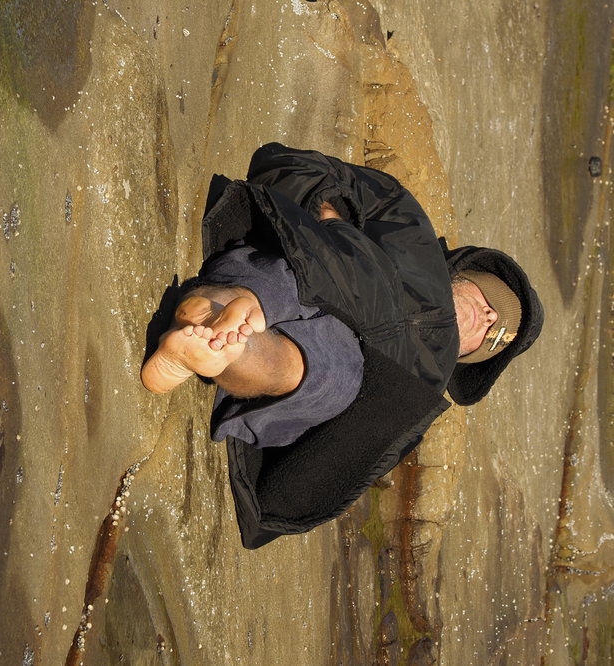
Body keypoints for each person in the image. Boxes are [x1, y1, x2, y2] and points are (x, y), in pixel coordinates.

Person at [141, 143, 544, 548]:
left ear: (465, 358)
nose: (490, 319)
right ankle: (217, 313)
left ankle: (221, 347)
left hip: (346, 355)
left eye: (492, 338)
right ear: (466, 273)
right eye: (492, 302)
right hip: (307, 271)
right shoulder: (410, 228)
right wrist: (333, 212)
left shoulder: (423, 382)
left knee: (333, 377)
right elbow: (286, 165)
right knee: (276, 285)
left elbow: (354, 453)